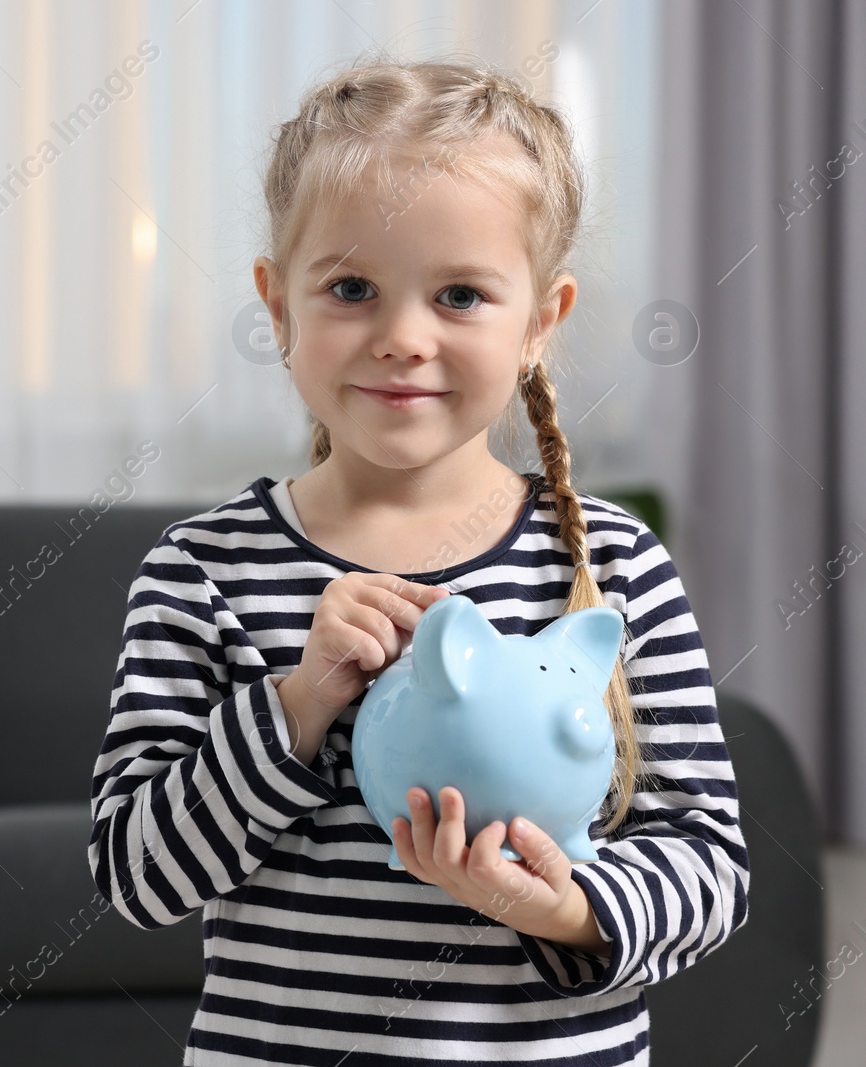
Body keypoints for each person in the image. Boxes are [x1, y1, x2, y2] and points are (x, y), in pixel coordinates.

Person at [88, 58, 751, 1065]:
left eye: (459, 295)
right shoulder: (202, 569)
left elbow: (709, 869)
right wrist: (297, 704)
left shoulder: (614, 565)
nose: (402, 337)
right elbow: (137, 876)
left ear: (539, 323)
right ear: (278, 307)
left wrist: (562, 905)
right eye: (351, 287)